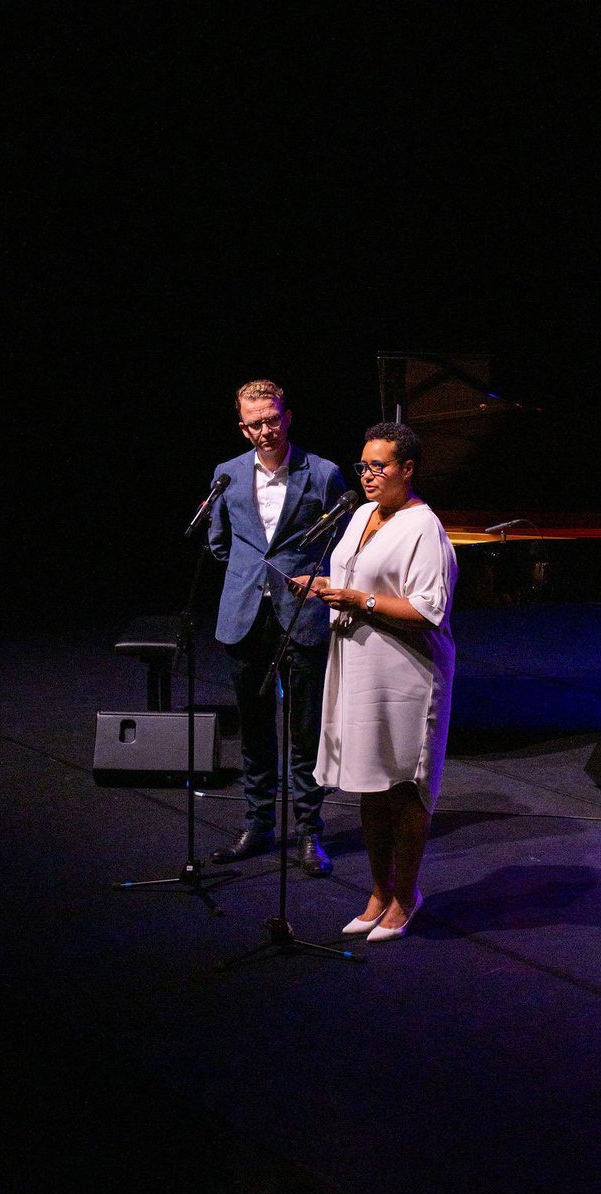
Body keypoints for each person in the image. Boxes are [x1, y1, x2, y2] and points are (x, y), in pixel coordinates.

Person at [300, 421, 457, 937]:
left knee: (403, 785)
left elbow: (428, 610)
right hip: (359, 665)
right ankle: (379, 890)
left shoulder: (424, 528)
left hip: (407, 674)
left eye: (379, 466)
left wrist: (358, 600)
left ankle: (406, 896)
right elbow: (357, 578)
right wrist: (324, 586)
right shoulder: (362, 514)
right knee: (369, 781)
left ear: (406, 469)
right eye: (363, 466)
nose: (367, 476)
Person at [208, 379, 348, 875]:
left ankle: (309, 830)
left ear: (287, 417)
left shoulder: (323, 472)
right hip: (246, 612)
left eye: (272, 419)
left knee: (306, 729)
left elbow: (342, 541)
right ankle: (258, 823)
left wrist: (317, 580)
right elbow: (220, 542)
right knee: (254, 727)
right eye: (256, 423)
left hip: (302, 613)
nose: (266, 430)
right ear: (243, 428)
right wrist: (250, 575)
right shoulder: (227, 473)